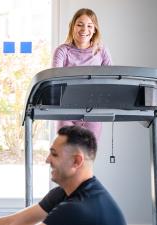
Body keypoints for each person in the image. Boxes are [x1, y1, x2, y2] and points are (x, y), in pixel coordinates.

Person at [0, 125, 126, 225]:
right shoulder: (65, 193)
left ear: (76, 161)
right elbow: (13, 222)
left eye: (54, 154)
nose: (47, 159)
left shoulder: (75, 209)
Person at [53, 8, 112, 139]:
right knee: (67, 155)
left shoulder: (101, 51)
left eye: (89, 25)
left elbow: (110, 81)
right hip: (65, 111)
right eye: (80, 24)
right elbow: (55, 80)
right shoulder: (62, 51)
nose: (84, 29)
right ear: (72, 26)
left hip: (93, 112)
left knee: (87, 157)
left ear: (95, 29)